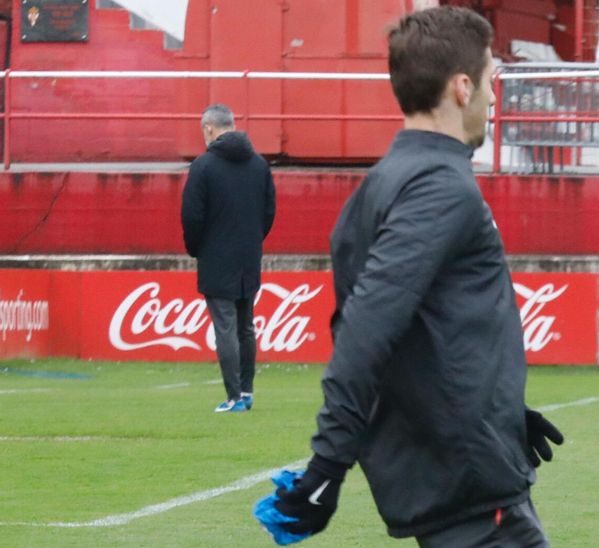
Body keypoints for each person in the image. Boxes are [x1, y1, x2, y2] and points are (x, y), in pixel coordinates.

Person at [253, 6, 564, 547]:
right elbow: (368, 328)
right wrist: (328, 466)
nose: (496, 95)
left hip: (460, 473)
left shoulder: (377, 188)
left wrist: (501, 408)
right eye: (492, 79)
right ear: (463, 87)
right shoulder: (439, 187)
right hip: (468, 490)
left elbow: (421, 332)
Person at [182, 103, 275, 414]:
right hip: (248, 257)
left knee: (225, 327)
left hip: (216, 257)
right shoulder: (259, 165)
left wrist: (197, 248)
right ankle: (246, 393)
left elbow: (191, 216)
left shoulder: (204, 166)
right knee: (246, 327)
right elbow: (268, 212)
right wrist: (251, 241)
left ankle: (233, 398)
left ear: (209, 129)